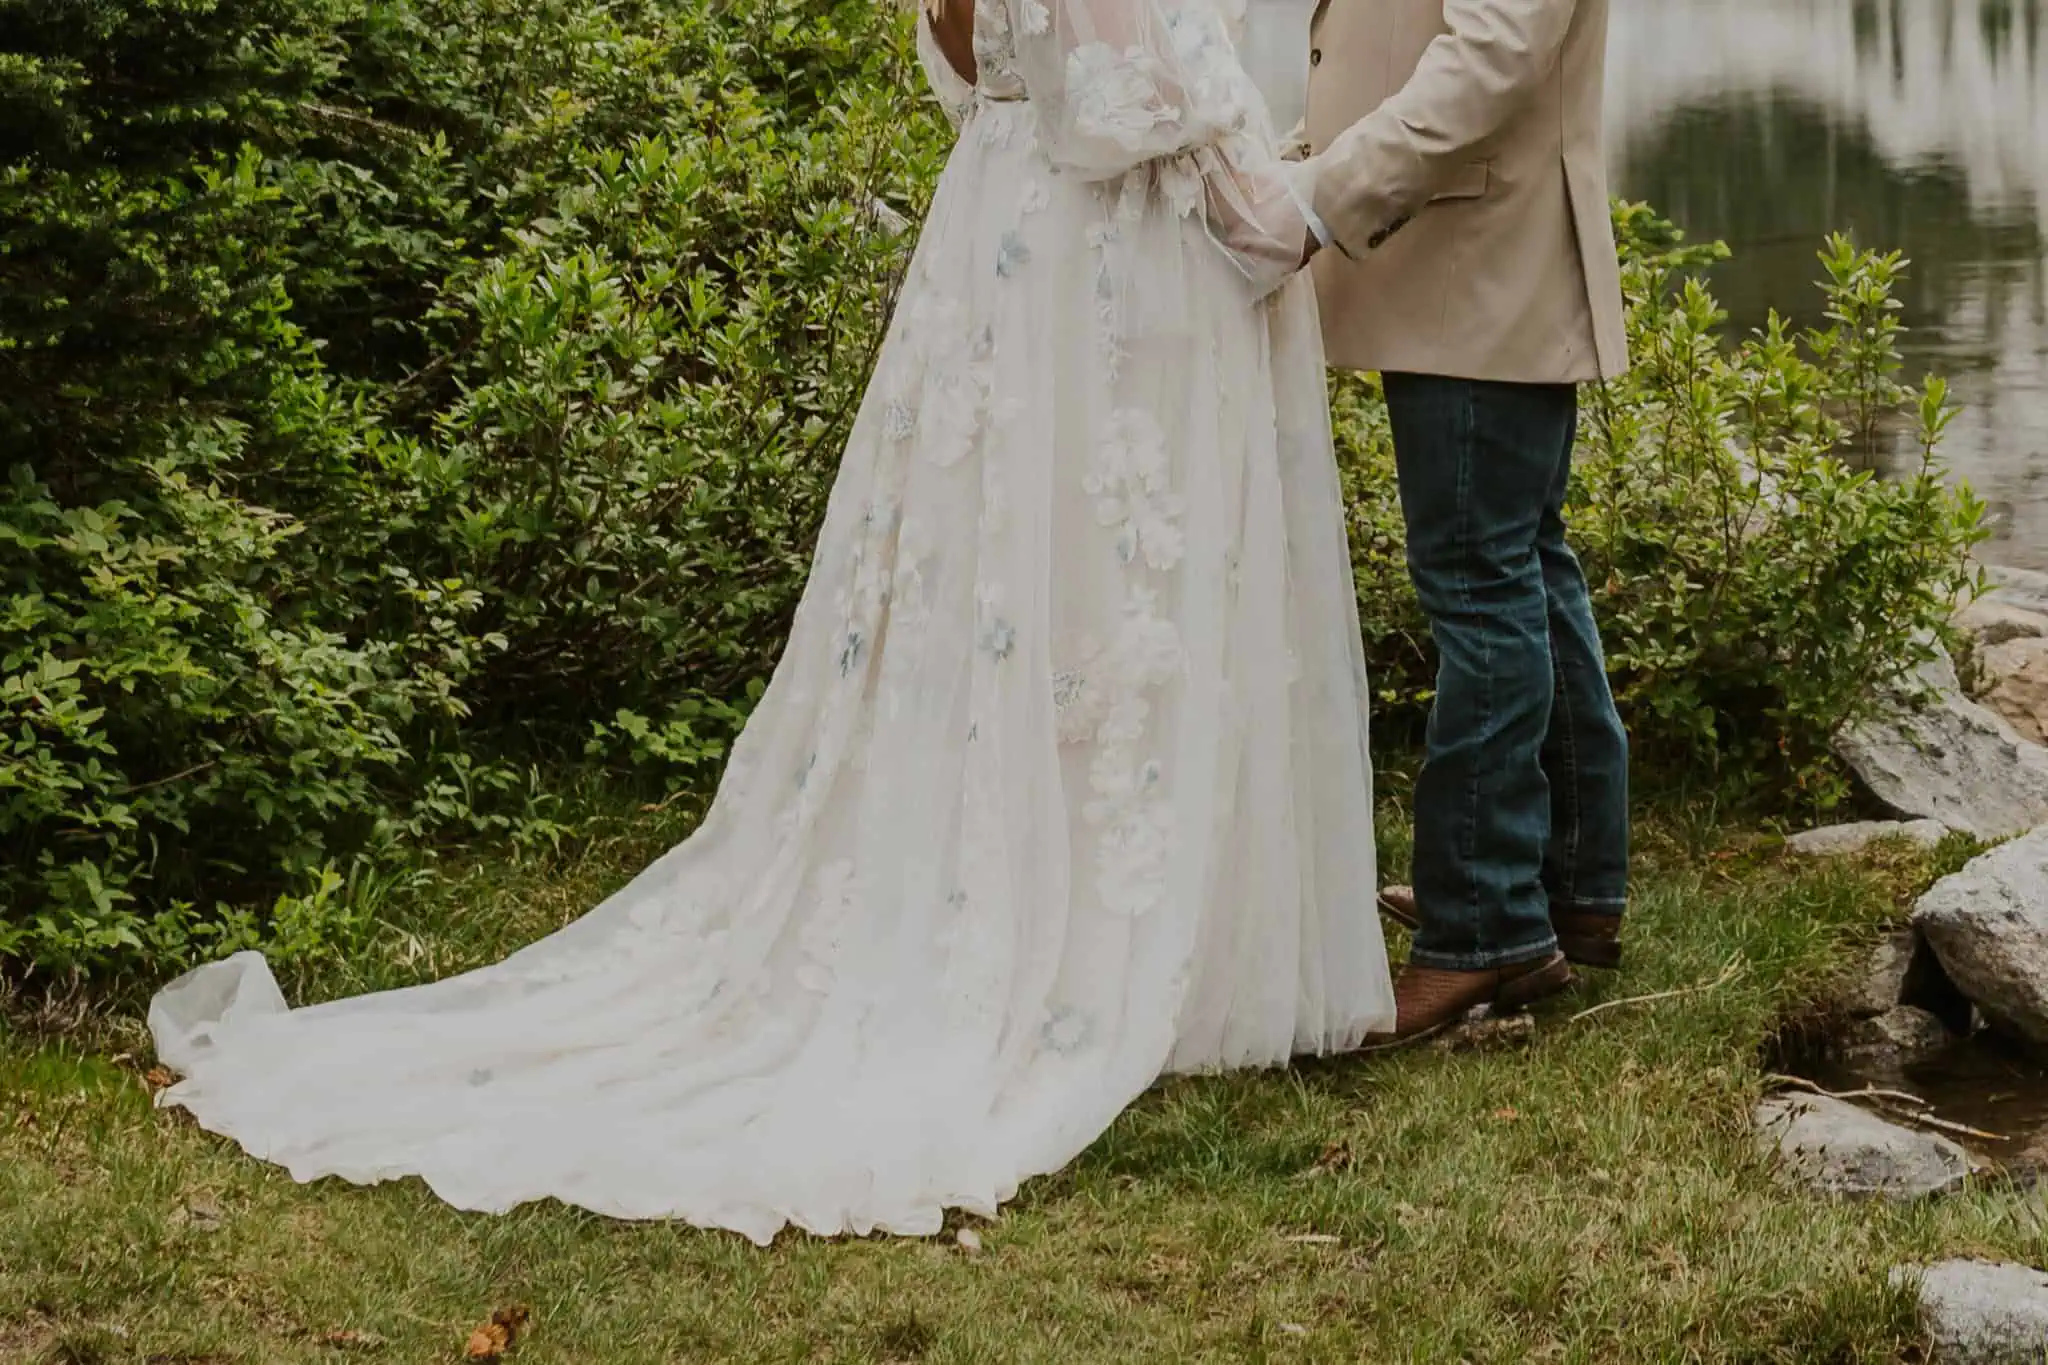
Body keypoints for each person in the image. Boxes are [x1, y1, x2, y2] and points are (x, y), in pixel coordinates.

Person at [147, 0, 1393, 1244]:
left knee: (1038, 600)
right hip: (1109, 260)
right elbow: (1125, 90)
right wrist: (1267, 185)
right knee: (1095, 589)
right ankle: (1096, 951)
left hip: (1010, 231)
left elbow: (967, 51)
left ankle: (1086, 918)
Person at [1291, 0, 1633, 1038]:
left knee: (1481, 579)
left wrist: (1320, 200)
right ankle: (1569, 886)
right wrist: (1287, 166)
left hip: (1474, 258)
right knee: (1519, 560)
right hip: (1467, 254)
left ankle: (1482, 927)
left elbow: (1491, 54)